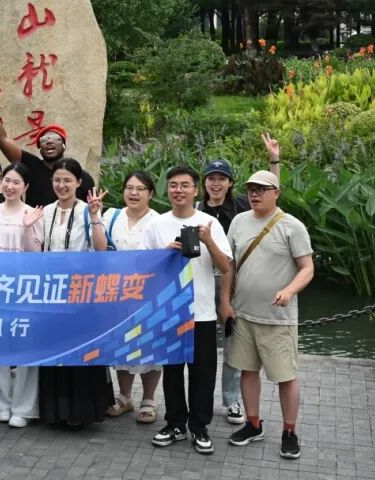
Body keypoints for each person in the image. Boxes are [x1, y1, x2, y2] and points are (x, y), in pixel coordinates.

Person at [221, 170, 314, 460]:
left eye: (261, 189)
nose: (254, 194)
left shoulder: (292, 226)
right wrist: (225, 301)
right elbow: (229, 265)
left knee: (286, 376)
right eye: (251, 189)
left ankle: (289, 431)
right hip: (243, 314)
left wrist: (289, 290)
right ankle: (253, 423)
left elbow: (307, 268)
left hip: (278, 319)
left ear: (276, 193)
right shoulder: (238, 221)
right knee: (247, 371)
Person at [145, 165, 232, 455]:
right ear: (167, 189)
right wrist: (164, 254)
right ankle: (175, 423)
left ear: (196, 190)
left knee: (202, 372)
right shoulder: (156, 224)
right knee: (171, 370)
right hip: (168, 311)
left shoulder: (209, 222)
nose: (178, 190)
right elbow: (143, 269)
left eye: (185, 185)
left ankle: (199, 426)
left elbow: (225, 267)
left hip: (202, 311)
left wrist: (208, 241)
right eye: (173, 185)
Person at [198, 133, 281, 424]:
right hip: (202, 283)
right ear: (204, 183)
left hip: (235, 285)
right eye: (211, 178)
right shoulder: (196, 211)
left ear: (230, 183)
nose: (216, 183)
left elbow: (271, 191)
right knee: (201, 346)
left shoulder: (243, 207)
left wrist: (274, 159)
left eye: (221, 178)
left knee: (234, 345)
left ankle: (231, 400)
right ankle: (199, 398)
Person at [37, 159, 113, 428]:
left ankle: (81, 412)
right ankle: (56, 411)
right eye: (57, 180)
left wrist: (95, 217)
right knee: (55, 350)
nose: (62, 185)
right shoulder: (45, 211)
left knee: (80, 351)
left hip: (81, 292)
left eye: (67, 180)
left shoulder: (86, 210)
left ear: (79, 183)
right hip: (52, 292)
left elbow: (101, 248)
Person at [91, 170, 162, 424]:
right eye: (129, 188)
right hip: (116, 294)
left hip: (147, 294)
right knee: (121, 346)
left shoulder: (158, 221)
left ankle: (149, 399)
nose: (134, 193)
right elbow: (100, 249)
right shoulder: (112, 216)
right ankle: (124, 396)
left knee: (148, 347)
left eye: (140, 189)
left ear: (150, 194)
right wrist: (95, 217)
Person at [0, 162, 43, 427]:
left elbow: (35, 254)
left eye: (16, 182)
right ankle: (1, 404)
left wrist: (27, 228)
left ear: (25, 187)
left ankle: (24, 408)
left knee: (27, 347)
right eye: (7, 180)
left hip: (24, 288)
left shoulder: (33, 213)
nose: (9, 186)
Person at [0, 81, 94, 206]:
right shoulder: (31, 166)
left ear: (64, 145)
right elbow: (2, 139)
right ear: (40, 148)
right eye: (44, 140)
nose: (49, 141)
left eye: (55, 138)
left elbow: (93, 208)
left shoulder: (82, 177)